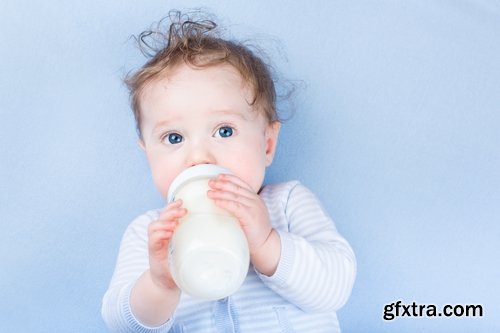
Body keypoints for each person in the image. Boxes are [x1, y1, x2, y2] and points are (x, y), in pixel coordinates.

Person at [102, 10, 356, 333]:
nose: (200, 157)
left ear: (266, 144)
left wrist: (267, 243)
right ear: (148, 154)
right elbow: (120, 324)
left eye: (224, 131)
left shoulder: (287, 205)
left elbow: (336, 287)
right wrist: (159, 284)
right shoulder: (150, 233)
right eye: (174, 138)